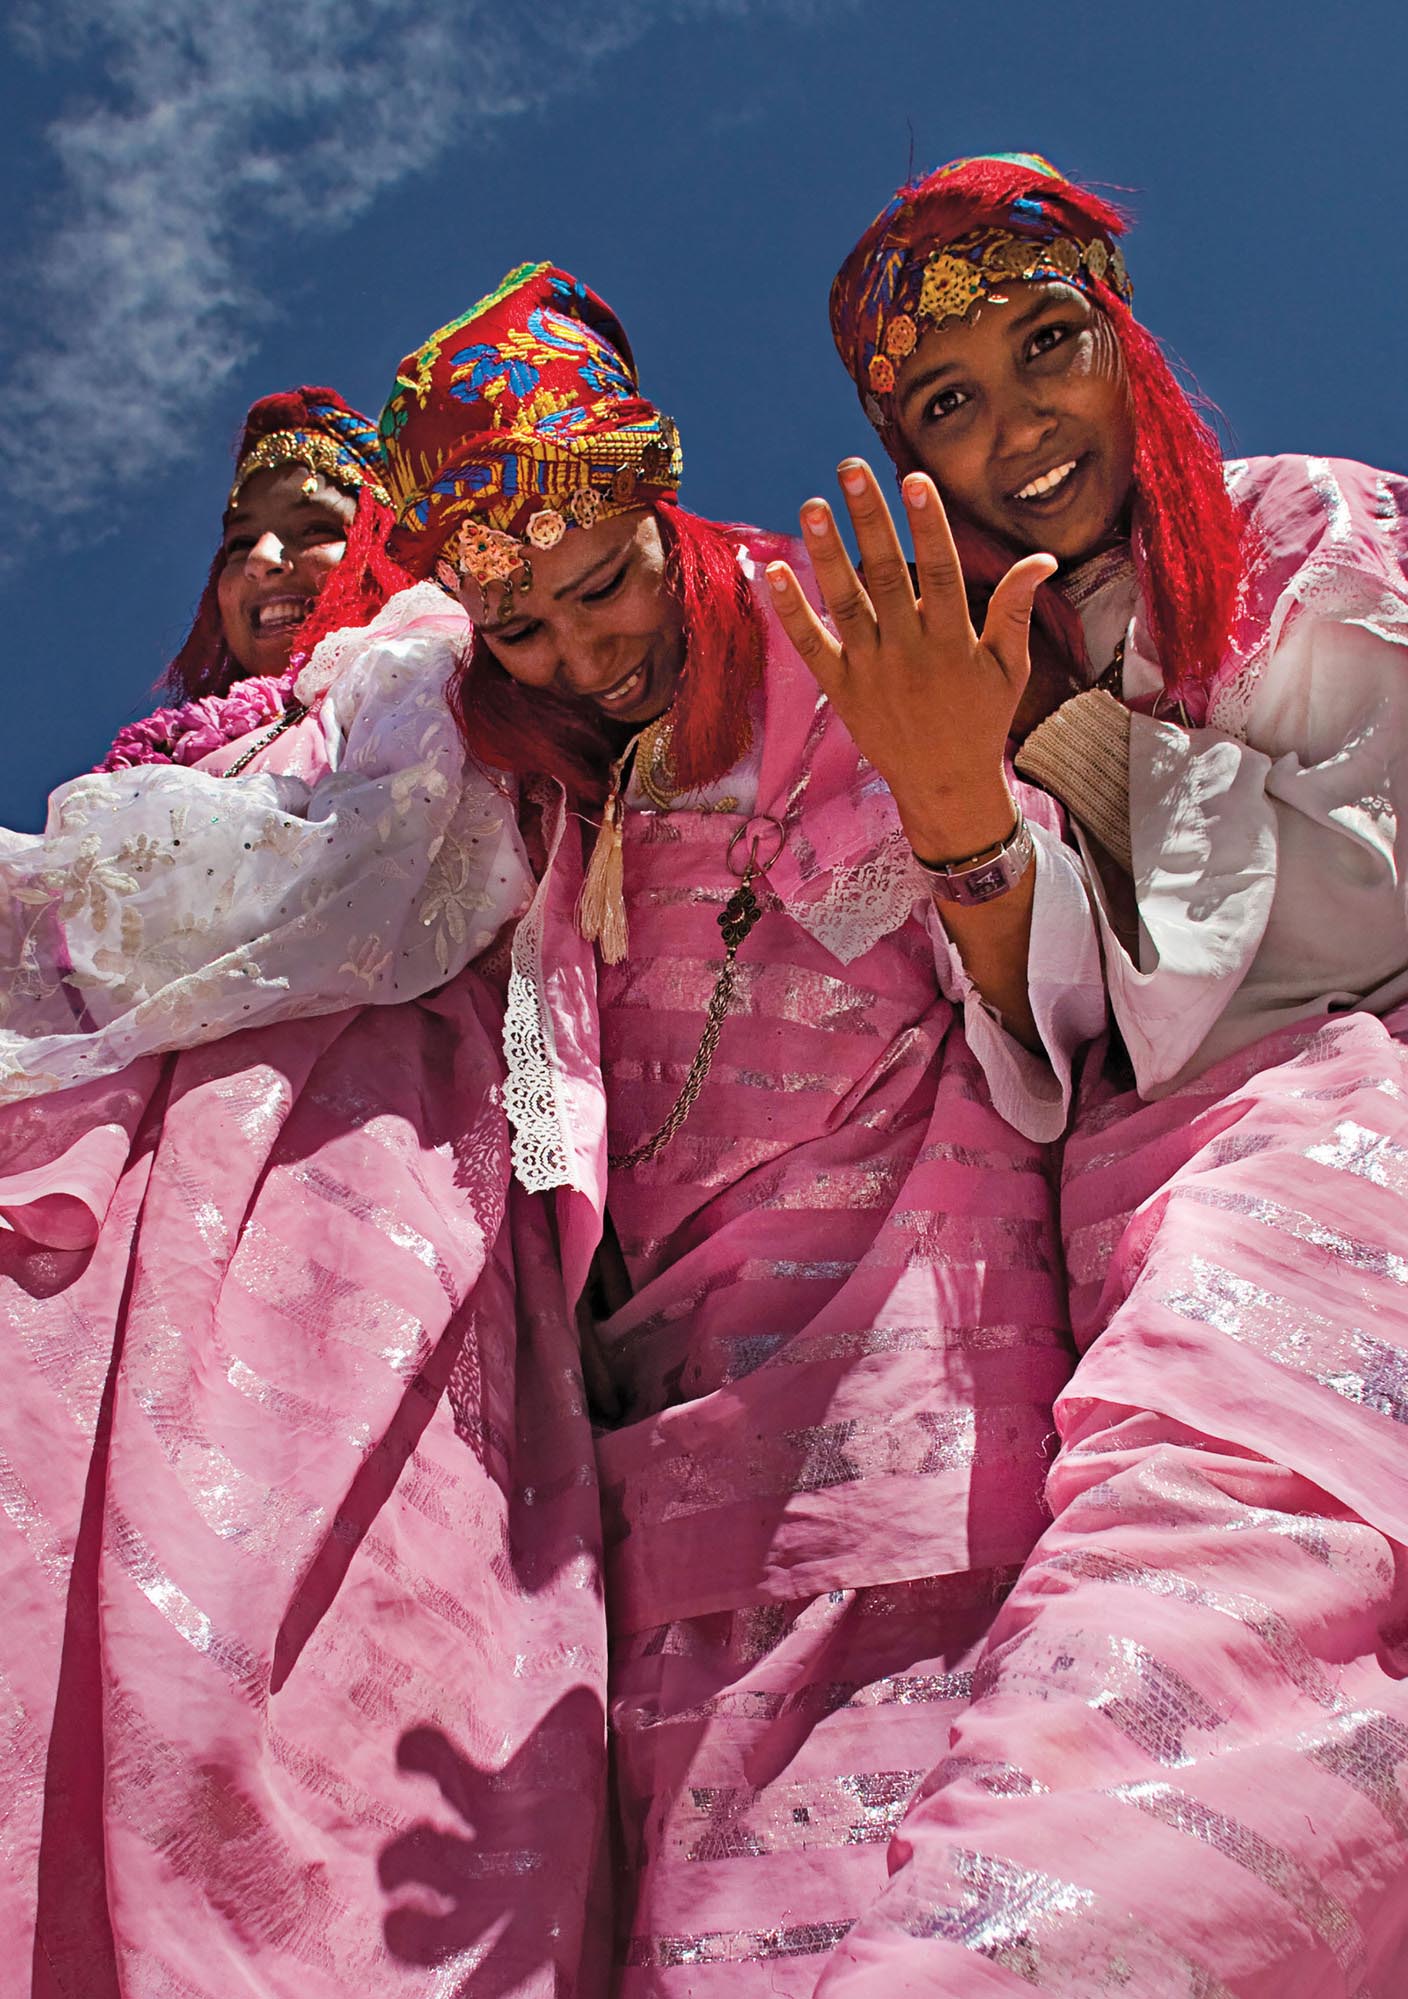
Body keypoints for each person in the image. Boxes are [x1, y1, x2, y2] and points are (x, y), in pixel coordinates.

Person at [815, 151, 1408, 1993]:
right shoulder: (975, 662)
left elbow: (1347, 903)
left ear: (1125, 340)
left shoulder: (1297, 530)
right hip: (1161, 1163)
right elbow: (1046, 1025)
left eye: (1046, 346)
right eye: (949, 402)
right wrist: (949, 800)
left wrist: (1057, 746)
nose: (1014, 428)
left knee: (1238, 1440)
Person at [376, 260, 1109, 1996]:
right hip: (667, 1453)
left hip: (930, 1392)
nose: (583, 648)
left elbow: (1062, 1012)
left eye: (603, 583)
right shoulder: (518, 795)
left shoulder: (855, 637)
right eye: (526, 628)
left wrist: (955, 814)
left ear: (659, 496)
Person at [0, 389, 607, 1994]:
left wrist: (571, 1220)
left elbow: (449, 926)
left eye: (311, 528)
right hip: (125, 1190)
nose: (269, 563)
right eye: (239, 540)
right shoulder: (181, 764)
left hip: (368, 1169)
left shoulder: (419, 677)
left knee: (304, 1606)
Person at [96, 385, 410, 773]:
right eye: (241, 543)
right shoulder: (161, 765)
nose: (259, 560)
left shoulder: (446, 694)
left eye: (314, 529)